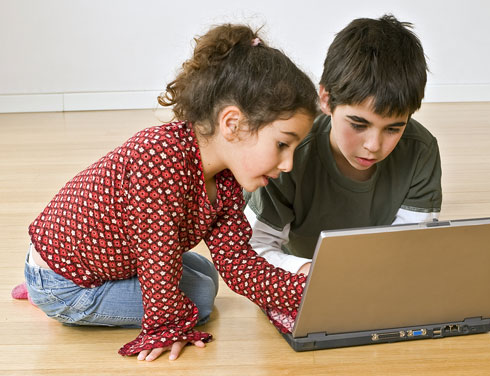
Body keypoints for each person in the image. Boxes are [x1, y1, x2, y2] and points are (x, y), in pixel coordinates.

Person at [20, 24, 318, 361]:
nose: (289, 163)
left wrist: (304, 291)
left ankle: (43, 284)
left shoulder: (225, 180)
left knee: (207, 273)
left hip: (108, 256)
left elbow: (238, 263)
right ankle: (42, 292)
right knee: (202, 297)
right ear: (232, 124)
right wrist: (167, 325)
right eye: (282, 144)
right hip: (66, 282)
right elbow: (156, 256)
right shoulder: (160, 159)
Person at [244, 15, 442, 276]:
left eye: (394, 128)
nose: (373, 145)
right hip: (301, 275)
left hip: (378, 278)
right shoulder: (288, 154)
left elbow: (410, 246)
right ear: (326, 99)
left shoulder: (421, 151)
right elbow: (255, 249)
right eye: (358, 124)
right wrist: (311, 272)